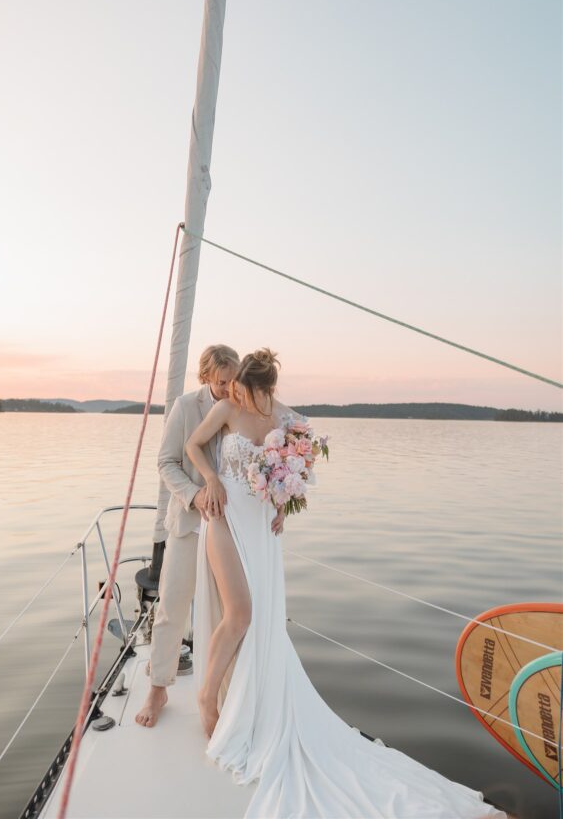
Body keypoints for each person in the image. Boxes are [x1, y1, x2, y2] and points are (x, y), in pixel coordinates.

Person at [185, 348, 507, 819]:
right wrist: (211, 478)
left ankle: (246, 700)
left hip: (264, 530)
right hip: (225, 518)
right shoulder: (226, 409)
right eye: (235, 387)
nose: (237, 392)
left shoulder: (286, 418)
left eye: (246, 389)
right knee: (240, 614)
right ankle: (207, 697)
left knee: (258, 619)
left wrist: (282, 501)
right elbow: (194, 445)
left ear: (265, 389)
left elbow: (302, 463)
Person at [134, 343, 240, 728]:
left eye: (235, 381)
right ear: (208, 377)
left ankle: (224, 692)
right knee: (172, 607)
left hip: (229, 530)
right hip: (188, 523)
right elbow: (165, 461)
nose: (231, 389)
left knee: (227, 613)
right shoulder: (184, 407)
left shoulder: (242, 405)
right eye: (224, 382)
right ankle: (158, 687)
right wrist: (194, 495)